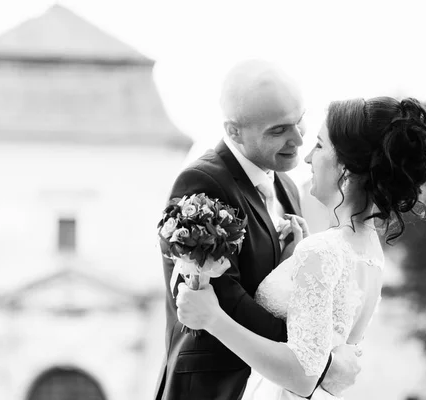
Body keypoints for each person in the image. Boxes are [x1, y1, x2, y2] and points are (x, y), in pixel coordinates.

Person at [176, 96, 426, 399]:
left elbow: (303, 376)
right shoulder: (371, 254)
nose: (306, 159)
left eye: (318, 145)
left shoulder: (322, 250)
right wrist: (293, 262)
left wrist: (213, 318)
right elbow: (323, 341)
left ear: (346, 167)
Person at [155, 60, 363, 400]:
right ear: (234, 131)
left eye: (299, 121)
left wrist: (291, 260)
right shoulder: (201, 183)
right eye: (278, 130)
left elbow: (271, 289)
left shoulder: (287, 185)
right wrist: (309, 349)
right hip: (214, 388)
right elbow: (224, 297)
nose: (298, 139)